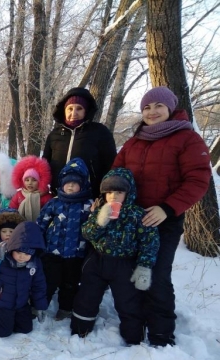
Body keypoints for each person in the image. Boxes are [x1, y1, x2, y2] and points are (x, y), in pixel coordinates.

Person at [112, 86, 211, 346]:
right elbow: (115, 173)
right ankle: (135, 322)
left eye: (158, 106)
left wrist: (167, 208)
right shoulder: (135, 140)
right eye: (146, 107)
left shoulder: (187, 139)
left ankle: (161, 332)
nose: (152, 112)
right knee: (132, 270)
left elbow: (198, 180)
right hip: (132, 218)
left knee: (156, 274)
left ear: (170, 108)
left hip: (163, 220)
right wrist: (110, 199)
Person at [71, 168, 160, 345]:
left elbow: (150, 242)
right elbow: (87, 233)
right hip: (98, 261)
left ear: (128, 193)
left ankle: (134, 335)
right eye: (109, 192)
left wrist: (144, 266)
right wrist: (100, 221)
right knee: (87, 295)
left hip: (124, 265)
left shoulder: (137, 215)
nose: (113, 196)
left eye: (118, 192)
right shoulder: (99, 211)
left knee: (128, 300)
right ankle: (81, 328)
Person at [36, 157, 94, 320]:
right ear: (61, 183)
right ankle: (39, 306)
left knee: (70, 284)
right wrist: (38, 243)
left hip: (76, 254)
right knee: (47, 282)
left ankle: (65, 308)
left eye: (75, 183)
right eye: (67, 182)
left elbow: (94, 228)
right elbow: (42, 223)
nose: (70, 185)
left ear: (82, 185)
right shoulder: (54, 203)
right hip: (52, 252)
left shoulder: (89, 205)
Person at [42, 87, 117, 199]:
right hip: (58, 196)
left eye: (79, 108)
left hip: (89, 197)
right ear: (64, 110)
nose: (74, 113)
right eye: (70, 108)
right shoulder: (54, 134)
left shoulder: (99, 132)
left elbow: (111, 165)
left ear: (85, 111)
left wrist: (105, 194)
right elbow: (45, 164)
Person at [9, 155, 53, 221]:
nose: (30, 183)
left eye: (34, 180)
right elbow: (11, 210)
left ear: (40, 181)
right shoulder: (18, 195)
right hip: (20, 226)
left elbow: (49, 213)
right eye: (27, 180)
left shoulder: (46, 197)